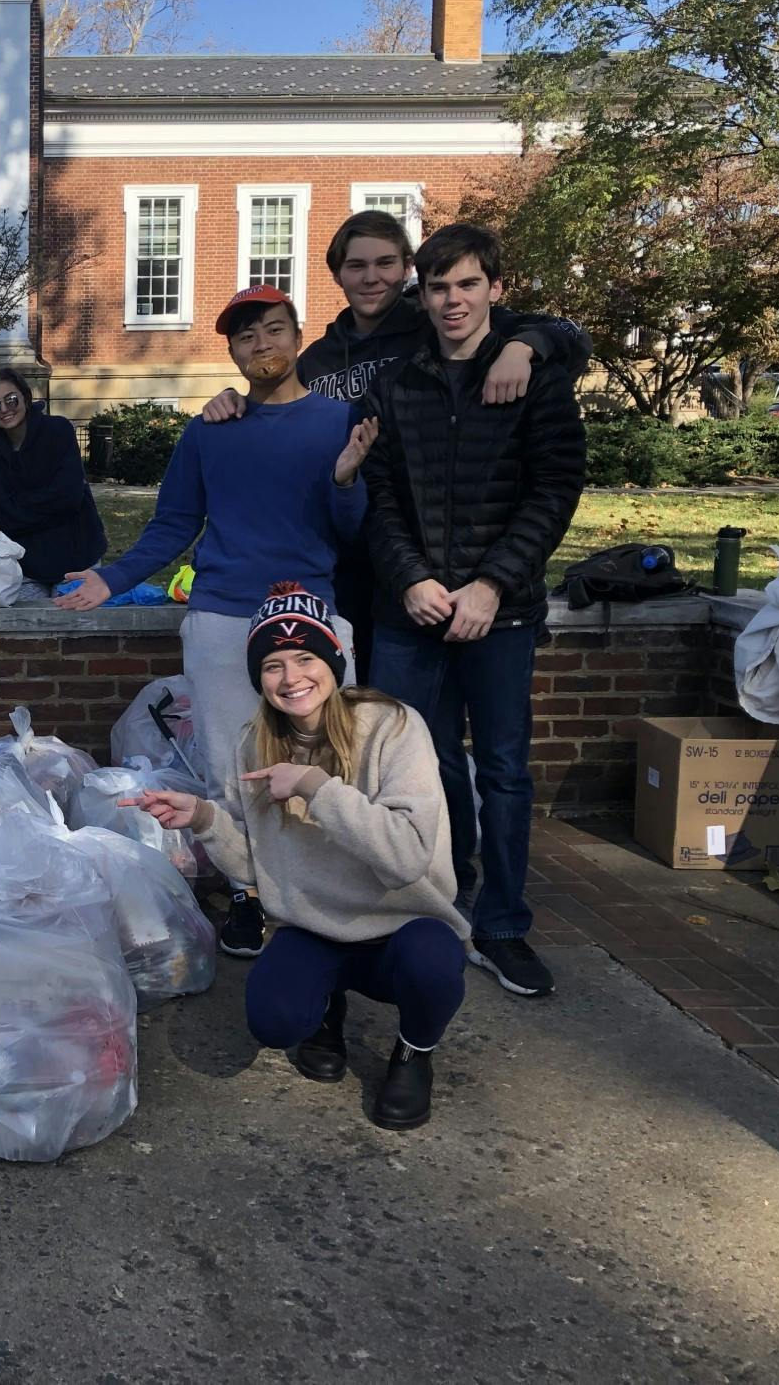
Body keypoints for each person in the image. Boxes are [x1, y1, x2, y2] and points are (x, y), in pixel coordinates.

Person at [59, 285, 375, 958]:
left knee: (323, 757)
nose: (262, 345)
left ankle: (315, 885)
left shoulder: (339, 420)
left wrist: (347, 479)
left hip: (310, 614)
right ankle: (247, 892)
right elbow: (174, 522)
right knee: (231, 765)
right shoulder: (210, 429)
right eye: (246, 336)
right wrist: (113, 578)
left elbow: (352, 533)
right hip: (223, 614)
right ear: (232, 351)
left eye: (273, 329)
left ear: (298, 337)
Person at [131, 582, 468, 1131]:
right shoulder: (253, 743)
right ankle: (326, 1008)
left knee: (433, 963)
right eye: (273, 665)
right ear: (258, 678)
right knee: (274, 1020)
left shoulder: (393, 726)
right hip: (314, 926)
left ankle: (413, 1052)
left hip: (404, 923)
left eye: (305, 658)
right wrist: (204, 819)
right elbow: (257, 867)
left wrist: (315, 786)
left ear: (334, 661)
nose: (290, 678)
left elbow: (407, 858)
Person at [199, 210, 592, 665]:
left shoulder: (442, 322)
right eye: (356, 265)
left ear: (408, 269)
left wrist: (523, 348)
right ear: (337, 274)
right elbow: (279, 402)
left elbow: (571, 334)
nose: (372, 277)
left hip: (430, 558)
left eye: (385, 263)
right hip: (346, 559)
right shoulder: (318, 360)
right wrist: (235, 398)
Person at [362, 223, 586, 999]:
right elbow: (378, 497)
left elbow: (554, 489)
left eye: (466, 284)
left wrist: (492, 584)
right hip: (413, 613)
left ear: (494, 288)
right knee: (415, 765)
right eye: (438, 287)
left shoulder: (533, 377)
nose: (452, 300)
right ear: (421, 297)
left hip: (503, 614)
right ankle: (439, 897)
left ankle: (502, 926)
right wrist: (411, 580)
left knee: (503, 770)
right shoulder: (397, 384)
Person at [0, 367, 105, 599]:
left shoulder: (58, 431)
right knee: (27, 621)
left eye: (11, 400)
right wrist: (48, 502)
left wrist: (22, 506)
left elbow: (69, 496)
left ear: (26, 397)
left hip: (78, 557)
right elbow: (5, 518)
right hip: (28, 565)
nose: (4, 409)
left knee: (75, 620)